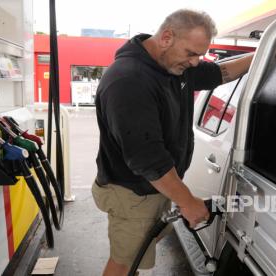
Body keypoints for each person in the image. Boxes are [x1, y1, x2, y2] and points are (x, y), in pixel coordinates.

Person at [92, 9, 254, 276]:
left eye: (200, 55)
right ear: (166, 37)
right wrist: (188, 202)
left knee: (136, 254)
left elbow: (219, 73)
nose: (194, 62)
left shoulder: (173, 66)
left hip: (149, 188)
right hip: (132, 193)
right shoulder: (129, 81)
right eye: (191, 53)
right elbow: (149, 159)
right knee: (125, 262)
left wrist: (261, 55)